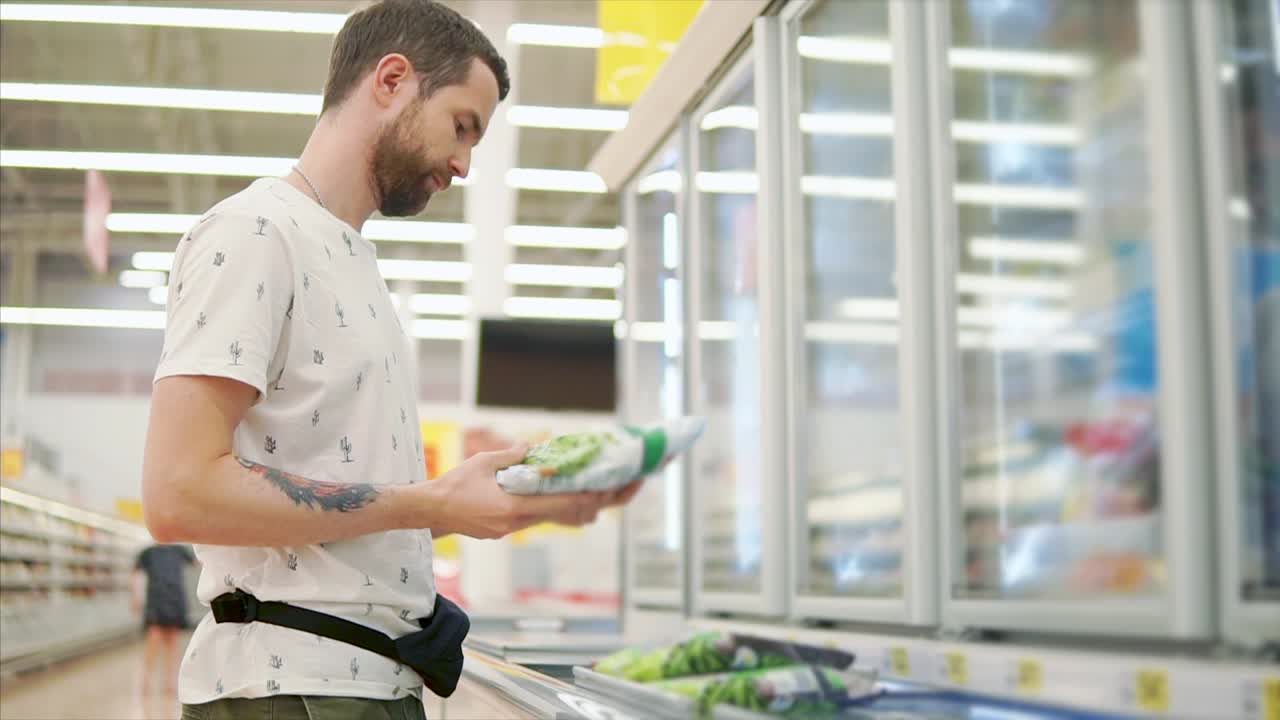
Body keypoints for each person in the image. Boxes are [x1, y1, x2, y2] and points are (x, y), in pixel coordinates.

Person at [140, 1, 641, 718]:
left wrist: (479, 505)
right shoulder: (256, 233)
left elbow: (338, 505)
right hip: (295, 689)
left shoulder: (351, 260)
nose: (465, 164)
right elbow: (177, 492)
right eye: (461, 127)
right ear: (392, 80)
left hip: (364, 683)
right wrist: (430, 501)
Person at [131, 543, 196, 695]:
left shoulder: (179, 550)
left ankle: (170, 682)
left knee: (173, 642)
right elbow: (136, 573)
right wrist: (136, 596)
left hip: (174, 598)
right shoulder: (148, 552)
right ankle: (146, 680)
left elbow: (196, 562)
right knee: (154, 640)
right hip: (156, 600)